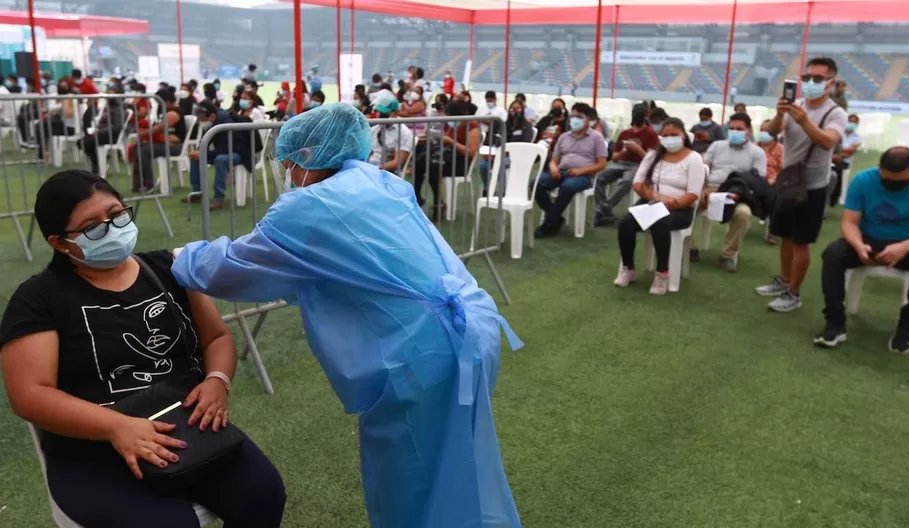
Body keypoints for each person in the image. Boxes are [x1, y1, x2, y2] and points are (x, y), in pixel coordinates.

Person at [170, 103, 522, 528]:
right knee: (462, 466)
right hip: (470, 329)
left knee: (411, 483)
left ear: (304, 157)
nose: (283, 170)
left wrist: (179, 259)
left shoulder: (307, 209)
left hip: (419, 354)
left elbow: (232, 268)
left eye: (285, 161)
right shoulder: (378, 180)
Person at [0, 170, 285, 527]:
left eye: (117, 214)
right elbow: (29, 394)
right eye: (93, 226)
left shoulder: (170, 268)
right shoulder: (38, 300)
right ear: (60, 243)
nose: (112, 228)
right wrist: (116, 427)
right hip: (93, 450)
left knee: (263, 495)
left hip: (187, 429)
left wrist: (217, 380)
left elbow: (217, 338)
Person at [814, 147, 909, 354]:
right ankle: (835, 323)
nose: (892, 184)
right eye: (887, 179)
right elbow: (849, 223)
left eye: (900, 180)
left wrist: (903, 248)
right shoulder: (863, 180)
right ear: (879, 169)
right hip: (869, 240)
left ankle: (907, 326)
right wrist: (858, 245)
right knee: (834, 253)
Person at [756, 57, 848, 312]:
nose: (810, 83)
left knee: (801, 241)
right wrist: (779, 114)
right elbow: (773, 132)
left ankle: (793, 293)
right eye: (807, 78)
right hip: (788, 180)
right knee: (785, 235)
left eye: (817, 79)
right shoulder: (796, 104)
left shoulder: (835, 113)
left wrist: (805, 120)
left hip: (813, 185)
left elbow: (828, 142)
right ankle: (784, 280)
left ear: (830, 83)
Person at [614, 117, 706, 295]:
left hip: (679, 209)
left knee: (660, 223)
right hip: (652, 203)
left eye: (674, 135)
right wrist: (658, 197)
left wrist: (674, 203)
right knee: (626, 223)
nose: (669, 138)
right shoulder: (652, 156)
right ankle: (628, 268)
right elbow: (638, 184)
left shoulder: (694, 159)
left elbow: (693, 194)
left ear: (684, 136)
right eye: (665, 135)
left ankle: (662, 273)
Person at [696, 112, 767, 272]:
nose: (734, 131)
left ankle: (727, 256)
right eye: (732, 128)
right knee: (684, 206)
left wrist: (739, 193)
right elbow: (702, 169)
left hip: (737, 193)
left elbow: (757, 181)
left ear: (748, 130)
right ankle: (690, 248)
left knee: (743, 214)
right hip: (710, 189)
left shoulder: (757, 153)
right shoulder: (717, 146)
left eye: (739, 129)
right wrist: (700, 189)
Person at [532, 104, 607, 238]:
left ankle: (548, 225)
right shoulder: (564, 137)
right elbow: (554, 159)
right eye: (573, 116)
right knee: (536, 184)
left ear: (588, 119)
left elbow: (602, 164)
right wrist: (553, 167)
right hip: (562, 171)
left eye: (579, 117)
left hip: (582, 175)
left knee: (566, 187)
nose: (574, 120)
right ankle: (557, 218)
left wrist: (581, 171)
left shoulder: (597, 138)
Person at [412, 100, 481, 221]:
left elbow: (471, 152)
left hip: (461, 163)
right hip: (446, 158)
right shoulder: (450, 125)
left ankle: (438, 203)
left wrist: (450, 142)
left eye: (448, 115)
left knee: (433, 165)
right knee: (421, 161)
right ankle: (417, 197)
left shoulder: (472, 127)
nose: (446, 117)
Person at [184, 101, 258, 210]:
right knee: (196, 158)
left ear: (212, 116)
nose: (200, 121)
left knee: (220, 159)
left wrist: (203, 153)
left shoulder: (226, 123)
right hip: (225, 151)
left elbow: (226, 149)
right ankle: (197, 193)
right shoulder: (213, 121)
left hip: (240, 154)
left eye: (201, 119)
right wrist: (199, 152)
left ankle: (219, 198)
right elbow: (205, 141)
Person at [593, 108, 659, 227]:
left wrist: (636, 149)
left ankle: (605, 208)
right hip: (621, 163)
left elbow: (649, 158)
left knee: (627, 181)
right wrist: (624, 152)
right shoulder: (625, 133)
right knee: (600, 177)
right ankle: (604, 209)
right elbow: (614, 157)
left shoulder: (651, 134)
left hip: (638, 165)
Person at [132, 87, 187, 193]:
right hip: (166, 142)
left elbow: (158, 129)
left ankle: (150, 182)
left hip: (175, 145)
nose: (159, 105)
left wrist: (143, 133)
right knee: (137, 147)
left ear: (167, 101)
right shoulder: (167, 112)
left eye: (160, 102)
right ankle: (140, 183)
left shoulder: (174, 113)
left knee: (144, 150)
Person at [479, 99, 534, 192]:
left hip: (516, 157)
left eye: (518, 108)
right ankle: (486, 188)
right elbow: (495, 140)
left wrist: (506, 153)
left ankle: (504, 192)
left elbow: (525, 144)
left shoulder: (526, 126)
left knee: (502, 163)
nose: (514, 111)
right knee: (483, 164)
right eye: (512, 108)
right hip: (499, 154)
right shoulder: (503, 125)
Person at [79, 83, 126, 176]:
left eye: (111, 94)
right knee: (81, 142)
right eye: (107, 94)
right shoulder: (106, 107)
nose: (109, 96)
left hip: (112, 134)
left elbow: (118, 126)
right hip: (102, 132)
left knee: (87, 142)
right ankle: (98, 163)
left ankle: (99, 165)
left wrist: (101, 131)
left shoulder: (119, 108)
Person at [368, 92, 414, 175]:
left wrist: (376, 168)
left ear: (395, 113)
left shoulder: (403, 133)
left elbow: (397, 162)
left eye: (384, 112)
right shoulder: (374, 129)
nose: (380, 115)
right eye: (379, 111)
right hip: (370, 169)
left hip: (387, 174)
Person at [34, 77, 79, 160]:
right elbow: (52, 110)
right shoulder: (61, 98)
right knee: (41, 125)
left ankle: (43, 153)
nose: (62, 89)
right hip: (63, 124)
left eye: (64, 87)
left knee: (41, 126)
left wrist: (62, 105)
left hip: (69, 127)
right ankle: (43, 152)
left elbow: (68, 114)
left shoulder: (70, 97)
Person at [758, 120, 784, 246]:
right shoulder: (753, 147)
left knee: (775, 194)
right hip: (754, 179)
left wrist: (774, 179)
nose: (763, 133)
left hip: (772, 180)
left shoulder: (780, 149)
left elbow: (783, 169)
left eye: (766, 131)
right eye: (761, 130)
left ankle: (772, 231)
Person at [830, 114, 862, 206]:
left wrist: (839, 150)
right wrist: (843, 150)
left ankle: (834, 198)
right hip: (834, 158)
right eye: (850, 121)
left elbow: (850, 151)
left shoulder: (857, 138)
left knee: (837, 170)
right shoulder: (839, 133)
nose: (851, 124)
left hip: (844, 161)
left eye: (854, 122)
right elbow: (833, 145)